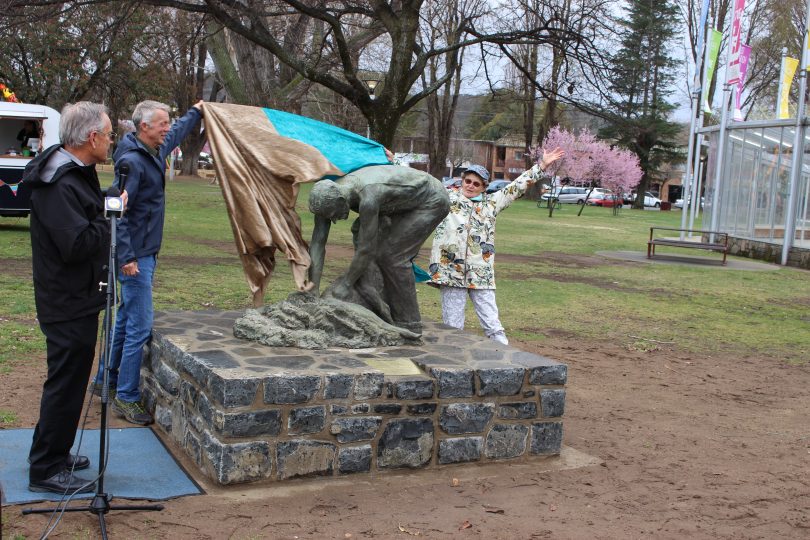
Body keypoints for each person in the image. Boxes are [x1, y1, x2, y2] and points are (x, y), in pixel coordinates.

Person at [93, 100, 203, 425]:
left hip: (143, 252)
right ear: (144, 127)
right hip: (135, 257)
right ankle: (126, 397)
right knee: (139, 325)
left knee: (125, 320)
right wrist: (126, 256)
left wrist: (196, 111)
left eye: (168, 122)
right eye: (162, 124)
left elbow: (178, 133)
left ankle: (105, 381)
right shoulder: (131, 162)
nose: (167, 128)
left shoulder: (152, 150)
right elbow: (119, 213)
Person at [25, 102, 116, 493]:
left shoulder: (77, 172)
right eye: (109, 134)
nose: (113, 141)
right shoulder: (59, 182)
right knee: (65, 383)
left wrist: (104, 206)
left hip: (76, 295)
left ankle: (55, 451)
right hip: (65, 300)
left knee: (72, 380)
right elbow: (76, 242)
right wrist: (111, 219)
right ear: (91, 137)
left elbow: (85, 216)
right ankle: (45, 468)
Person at [428, 148, 564, 345]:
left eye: (477, 184)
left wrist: (541, 166)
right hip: (451, 272)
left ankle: (506, 360)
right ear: (462, 181)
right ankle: (454, 367)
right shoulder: (446, 198)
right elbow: (419, 185)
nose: (471, 186)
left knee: (493, 325)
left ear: (484, 187)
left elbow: (517, 187)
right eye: (468, 181)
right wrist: (391, 162)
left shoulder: (491, 203)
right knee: (452, 328)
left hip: (481, 273)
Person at [308, 165, 450, 335]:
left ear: (341, 201)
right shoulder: (325, 195)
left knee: (392, 256)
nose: (335, 221)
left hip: (431, 199)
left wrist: (346, 284)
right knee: (361, 235)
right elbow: (317, 242)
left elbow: (366, 250)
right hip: (398, 201)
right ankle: (379, 305)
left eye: (334, 215)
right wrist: (312, 288)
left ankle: (409, 322)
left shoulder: (368, 198)